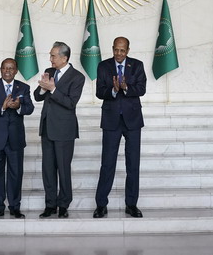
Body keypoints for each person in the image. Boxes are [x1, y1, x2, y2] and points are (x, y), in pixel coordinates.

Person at [93, 37, 147, 219]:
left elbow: (142, 89)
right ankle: (101, 204)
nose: (119, 53)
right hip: (111, 120)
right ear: (112, 48)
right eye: (116, 50)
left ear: (128, 50)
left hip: (133, 120)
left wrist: (126, 87)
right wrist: (114, 90)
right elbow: (99, 92)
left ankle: (131, 204)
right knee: (107, 163)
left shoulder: (137, 65)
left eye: (122, 50)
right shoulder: (103, 66)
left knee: (133, 164)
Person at [34, 41, 85, 218]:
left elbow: (71, 103)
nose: (50, 59)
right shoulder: (49, 72)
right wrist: (43, 88)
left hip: (64, 130)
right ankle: (50, 205)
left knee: (63, 168)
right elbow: (37, 96)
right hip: (47, 128)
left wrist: (53, 89)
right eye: (50, 55)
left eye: (53, 56)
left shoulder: (77, 77)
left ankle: (63, 205)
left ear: (64, 58)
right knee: (47, 169)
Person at [0, 58, 34, 219]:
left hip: (15, 139)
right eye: (5, 68)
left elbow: (30, 108)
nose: (7, 71)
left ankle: (15, 207)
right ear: (0, 69)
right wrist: (2, 107)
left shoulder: (23, 87)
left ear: (16, 70)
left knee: (16, 174)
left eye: (11, 68)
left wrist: (19, 107)